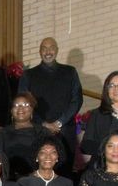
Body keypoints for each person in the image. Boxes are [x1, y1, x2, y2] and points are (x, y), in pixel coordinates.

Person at [16, 37, 82, 168]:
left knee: (65, 172)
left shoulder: (70, 72)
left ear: (57, 50)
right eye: (44, 48)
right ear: (39, 52)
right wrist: (43, 123)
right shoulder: (28, 75)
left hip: (65, 131)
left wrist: (59, 122)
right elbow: (23, 103)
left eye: (51, 48)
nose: (48, 51)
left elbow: (77, 100)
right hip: (37, 131)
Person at [0, 92, 54, 178]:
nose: (20, 108)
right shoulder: (2, 133)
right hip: (10, 180)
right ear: (11, 111)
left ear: (32, 110)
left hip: (38, 179)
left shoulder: (43, 132)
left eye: (25, 104)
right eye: (16, 105)